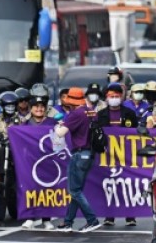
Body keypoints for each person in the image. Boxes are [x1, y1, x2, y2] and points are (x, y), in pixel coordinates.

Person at [53, 88, 101, 233]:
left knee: (74, 191)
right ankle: (68, 222)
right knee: (76, 190)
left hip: (80, 154)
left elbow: (60, 133)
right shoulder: (91, 110)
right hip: (90, 154)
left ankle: (92, 220)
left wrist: (58, 125)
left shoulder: (75, 114)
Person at [96, 83, 138, 227]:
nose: (114, 98)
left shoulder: (130, 114)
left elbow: (136, 134)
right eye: (111, 96)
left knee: (128, 184)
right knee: (109, 185)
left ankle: (130, 216)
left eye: (117, 96)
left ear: (121, 97)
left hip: (126, 155)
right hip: (107, 155)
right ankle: (109, 216)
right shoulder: (100, 115)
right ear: (106, 98)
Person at [20, 96, 58, 230]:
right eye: (36, 106)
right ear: (31, 108)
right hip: (30, 162)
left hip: (48, 162)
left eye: (42, 106)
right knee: (30, 189)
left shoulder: (53, 122)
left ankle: (46, 219)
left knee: (47, 191)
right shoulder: (24, 124)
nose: (39, 109)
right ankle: (29, 217)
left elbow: (59, 142)